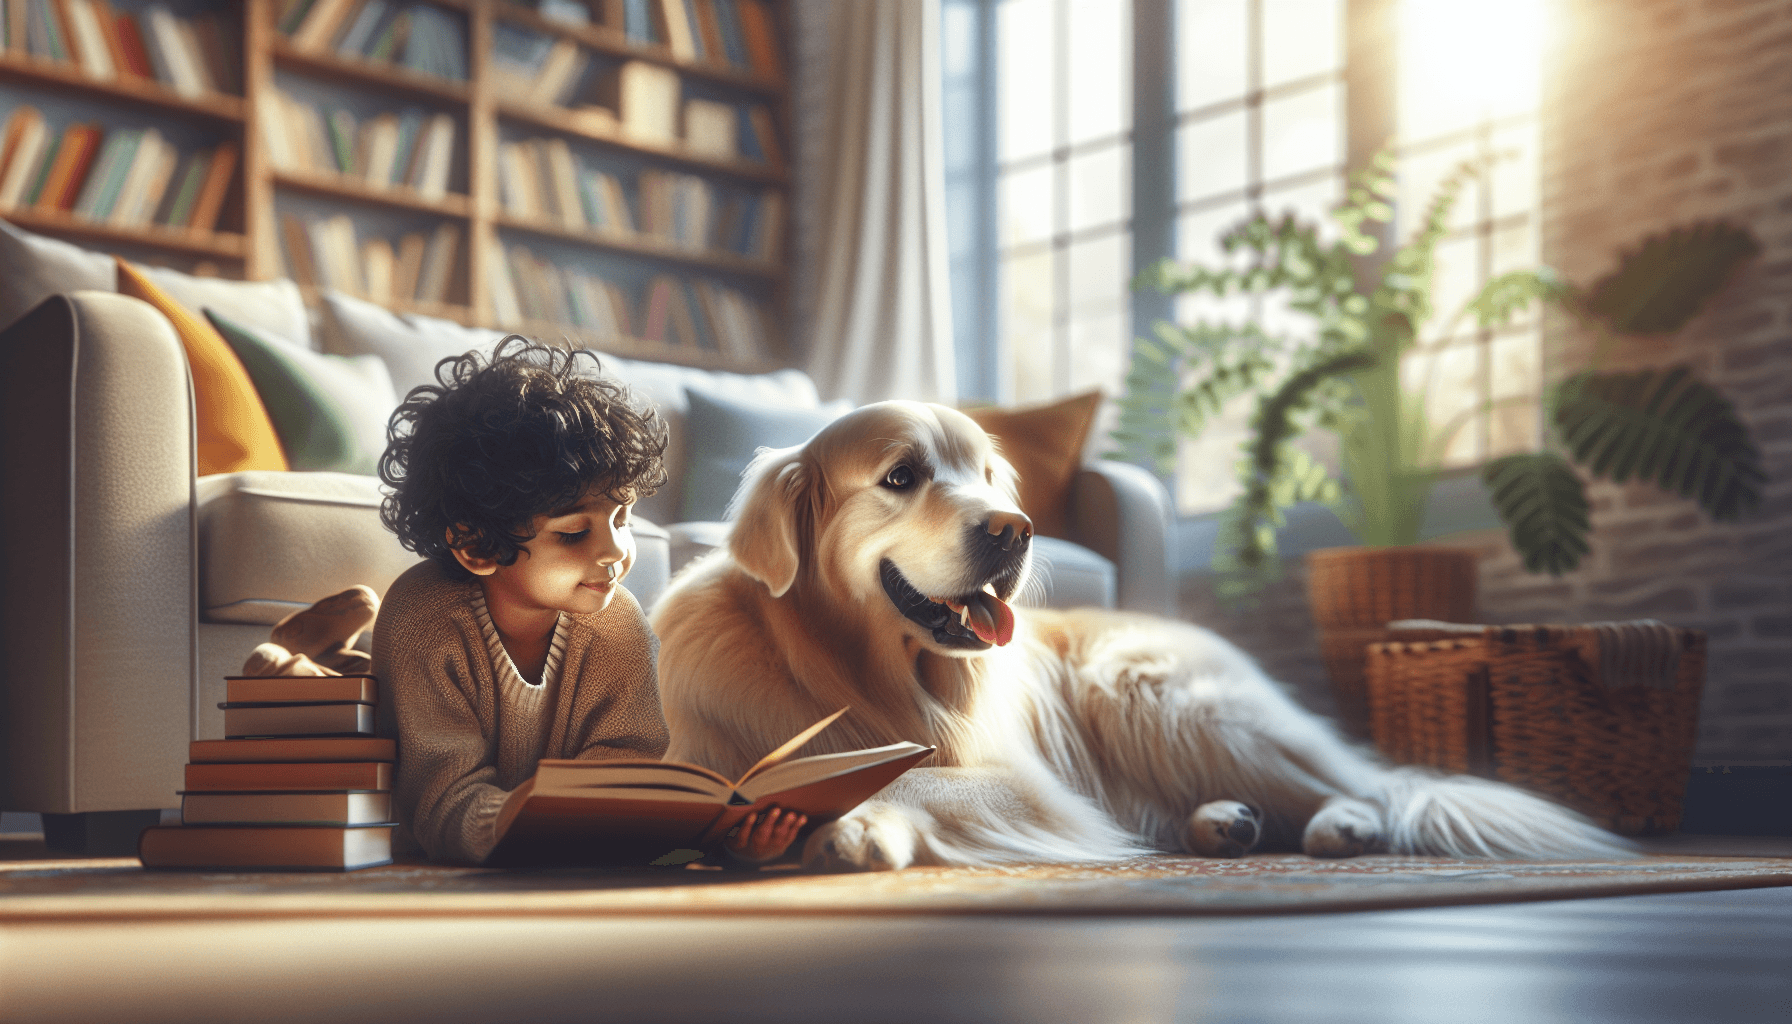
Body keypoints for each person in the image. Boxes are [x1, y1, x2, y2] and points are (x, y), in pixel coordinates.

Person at [373, 337, 805, 865]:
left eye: (622, 518)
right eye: (575, 533)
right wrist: (520, 818)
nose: (617, 552)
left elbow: (635, 769)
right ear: (476, 545)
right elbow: (439, 802)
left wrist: (722, 837)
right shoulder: (424, 617)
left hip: (555, 847)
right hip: (475, 846)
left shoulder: (615, 619)